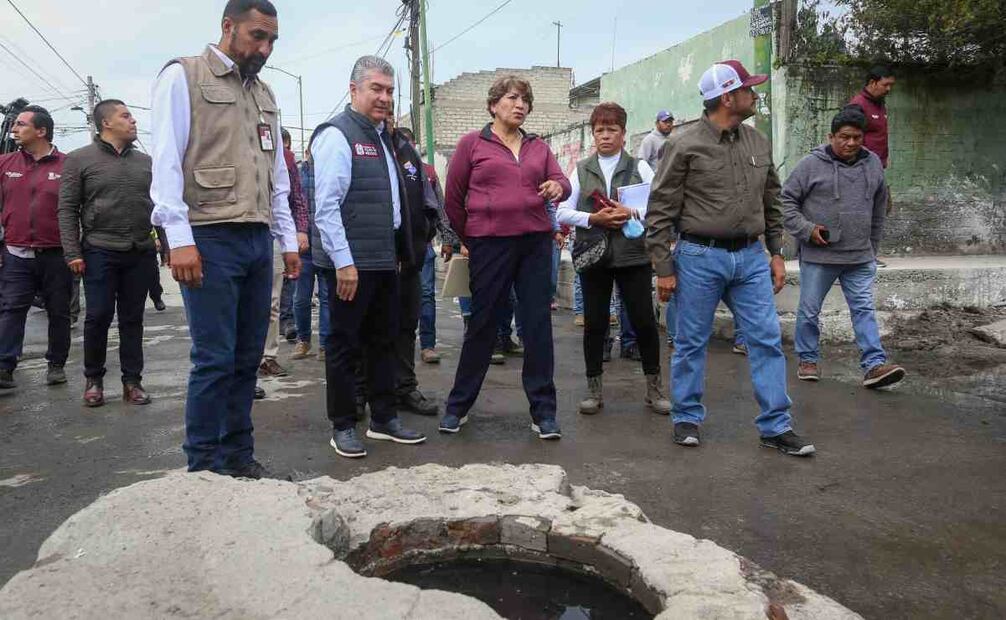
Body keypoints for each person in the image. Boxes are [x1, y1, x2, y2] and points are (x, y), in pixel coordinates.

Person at [150, 0, 301, 479]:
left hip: (257, 239)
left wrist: (287, 239)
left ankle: (238, 457)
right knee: (214, 360)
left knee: (246, 359)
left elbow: (277, 174)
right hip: (209, 236)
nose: (266, 48)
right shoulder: (184, 76)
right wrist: (178, 238)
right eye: (258, 36)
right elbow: (166, 161)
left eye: (272, 39)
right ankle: (203, 467)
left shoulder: (265, 94)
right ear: (228, 26)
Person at [646, 60, 815, 457]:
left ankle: (776, 426)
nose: (754, 94)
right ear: (727, 96)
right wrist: (663, 267)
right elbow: (660, 209)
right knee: (690, 342)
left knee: (766, 340)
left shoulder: (758, 142)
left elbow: (772, 199)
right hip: (699, 257)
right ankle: (686, 418)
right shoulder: (683, 145)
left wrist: (776, 253)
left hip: (751, 258)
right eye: (748, 89)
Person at [439, 75, 571, 439]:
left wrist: (558, 186)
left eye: (525, 100)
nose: (520, 105)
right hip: (490, 245)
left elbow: (563, 182)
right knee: (483, 324)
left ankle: (543, 412)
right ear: (493, 105)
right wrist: (472, 237)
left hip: (535, 244)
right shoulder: (472, 144)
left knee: (537, 325)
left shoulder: (538, 147)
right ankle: (457, 407)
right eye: (512, 98)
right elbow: (453, 199)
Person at [312, 55, 426, 458]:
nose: (384, 97)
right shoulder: (337, 135)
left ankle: (384, 418)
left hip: (383, 261)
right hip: (351, 265)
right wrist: (344, 263)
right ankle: (343, 425)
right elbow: (326, 207)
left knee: (384, 342)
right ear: (354, 89)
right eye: (376, 88)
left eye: (390, 90)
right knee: (345, 345)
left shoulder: (381, 137)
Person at [558, 102, 671, 416]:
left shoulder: (639, 167)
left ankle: (654, 389)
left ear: (623, 133)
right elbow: (562, 211)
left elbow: (659, 207)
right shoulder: (581, 169)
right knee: (594, 324)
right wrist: (593, 219)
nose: (605, 136)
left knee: (644, 321)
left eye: (611, 130)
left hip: (633, 256)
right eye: (599, 130)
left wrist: (630, 212)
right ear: (593, 134)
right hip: (594, 257)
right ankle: (594, 390)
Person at [782, 104, 906, 389]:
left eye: (856, 138)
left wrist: (872, 248)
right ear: (831, 136)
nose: (850, 143)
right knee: (809, 311)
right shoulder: (810, 165)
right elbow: (786, 201)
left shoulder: (873, 164)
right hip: (819, 256)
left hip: (859, 256)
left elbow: (879, 209)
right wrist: (807, 230)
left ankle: (874, 365)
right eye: (844, 137)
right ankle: (808, 359)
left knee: (863, 309)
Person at [58, 99, 158, 407]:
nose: (133, 121)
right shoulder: (79, 159)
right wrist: (72, 252)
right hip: (100, 249)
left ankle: (132, 382)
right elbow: (67, 208)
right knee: (98, 316)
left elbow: (159, 207)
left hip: (139, 250)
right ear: (106, 123)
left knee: (133, 319)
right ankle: (94, 380)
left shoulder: (145, 161)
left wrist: (168, 246)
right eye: (125, 116)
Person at [0, 105, 71, 390]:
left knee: (59, 312)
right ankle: (4, 366)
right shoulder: (5, 164)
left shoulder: (68, 165)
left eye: (21, 124)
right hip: (15, 253)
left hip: (57, 254)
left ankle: (56, 365)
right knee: (12, 309)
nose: (14, 129)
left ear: (41, 131)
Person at [396, 126, 458, 366]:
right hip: (392, 248)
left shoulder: (426, 172)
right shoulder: (386, 167)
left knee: (425, 295)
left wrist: (447, 239)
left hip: (422, 246)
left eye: (409, 144)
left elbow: (438, 206)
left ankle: (428, 345)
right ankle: (398, 347)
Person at [259, 127, 309, 377]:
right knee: (240, 304)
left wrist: (299, 231)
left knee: (272, 302)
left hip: (274, 235)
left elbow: (296, 198)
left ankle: (267, 358)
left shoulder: (286, 159)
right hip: (240, 233)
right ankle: (242, 365)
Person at [849, 65, 894, 267]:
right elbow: (849, 138)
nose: (888, 89)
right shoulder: (858, 105)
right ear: (872, 82)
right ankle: (861, 255)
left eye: (891, 85)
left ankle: (866, 253)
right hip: (861, 170)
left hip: (877, 169)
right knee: (864, 212)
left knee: (881, 208)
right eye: (886, 84)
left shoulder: (880, 104)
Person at [290, 146, 330, 362]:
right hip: (303, 247)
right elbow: (291, 207)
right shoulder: (296, 174)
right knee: (300, 298)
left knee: (326, 297)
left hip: (326, 246)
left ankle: (325, 344)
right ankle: (303, 339)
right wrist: (298, 233)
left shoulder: (330, 172)